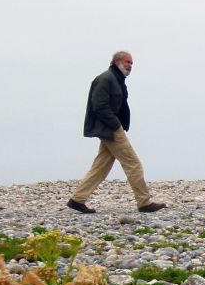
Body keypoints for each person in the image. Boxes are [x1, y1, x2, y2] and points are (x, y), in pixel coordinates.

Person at [67, 51, 166, 214]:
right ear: (117, 61)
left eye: (132, 63)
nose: (130, 66)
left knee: (100, 166)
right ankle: (144, 202)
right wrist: (115, 125)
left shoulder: (116, 79)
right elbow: (99, 105)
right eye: (127, 62)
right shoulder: (106, 79)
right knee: (133, 164)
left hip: (111, 128)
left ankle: (77, 199)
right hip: (111, 129)